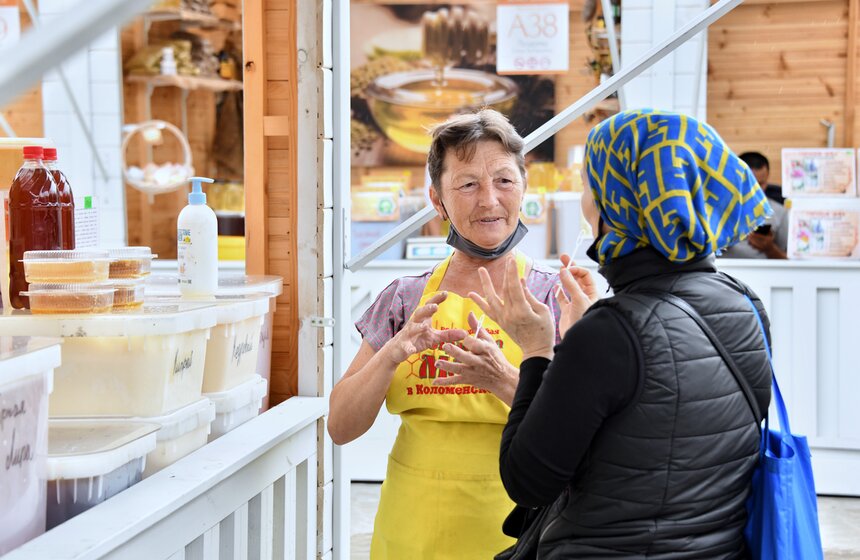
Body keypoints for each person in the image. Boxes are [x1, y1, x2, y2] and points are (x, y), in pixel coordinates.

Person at [464, 110, 773, 558]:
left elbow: (527, 480)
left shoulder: (612, 331)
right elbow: (661, 437)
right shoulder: (744, 302)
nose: (586, 199)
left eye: (592, 184)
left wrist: (537, 349)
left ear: (621, 198)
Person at [328, 110, 561, 559]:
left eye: (504, 181)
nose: (489, 200)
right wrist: (392, 354)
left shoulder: (553, 297)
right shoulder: (404, 298)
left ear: (524, 190)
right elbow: (340, 426)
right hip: (411, 527)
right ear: (437, 201)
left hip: (517, 526)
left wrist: (504, 379)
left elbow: (577, 431)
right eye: (468, 184)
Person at [721, 151, 788, 259]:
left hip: (764, 273)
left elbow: (788, 262)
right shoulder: (717, 208)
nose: (756, 190)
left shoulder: (780, 212)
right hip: (724, 272)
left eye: (761, 184)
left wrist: (770, 248)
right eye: (751, 184)